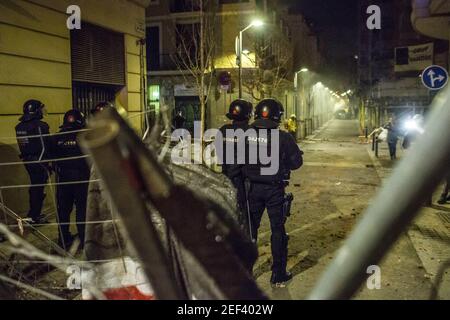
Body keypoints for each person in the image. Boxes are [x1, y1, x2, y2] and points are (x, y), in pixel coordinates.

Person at [243, 98, 303, 287]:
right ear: (277, 115)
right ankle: (278, 274)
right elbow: (296, 163)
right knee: (278, 231)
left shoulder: (245, 134)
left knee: (250, 230)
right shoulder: (284, 137)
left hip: (251, 188)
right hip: (274, 189)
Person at [53, 109, 91, 250]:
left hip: (63, 179)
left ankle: (63, 238)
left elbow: (52, 157)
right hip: (81, 179)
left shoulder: (57, 137)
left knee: (63, 210)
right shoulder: (85, 137)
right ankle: (82, 237)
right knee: (81, 209)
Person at [216, 99, 253, 234]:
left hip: (225, 178)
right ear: (248, 115)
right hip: (244, 181)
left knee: (228, 211)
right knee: (244, 214)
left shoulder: (223, 130)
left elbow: (219, 154)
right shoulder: (251, 132)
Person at [15, 100, 51, 224]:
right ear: (35, 111)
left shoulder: (20, 126)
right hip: (39, 161)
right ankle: (34, 215)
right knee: (38, 188)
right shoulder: (40, 126)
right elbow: (45, 146)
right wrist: (47, 163)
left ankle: (34, 213)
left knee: (35, 187)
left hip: (27, 161)